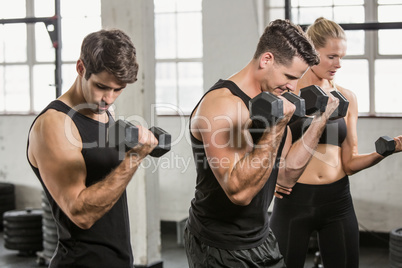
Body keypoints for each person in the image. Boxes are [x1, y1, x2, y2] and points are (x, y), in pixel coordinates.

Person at [184, 19, 340, 268]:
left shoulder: (275, 100)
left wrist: (321, 120)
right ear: (266, 60)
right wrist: (277, 127)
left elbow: (287, 177)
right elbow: (240, 192)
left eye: (297, 79)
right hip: (220, 243)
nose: (293, 87)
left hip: (260, 236)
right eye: (289, 76)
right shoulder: (224, 104)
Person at [270, 17, 402, 268]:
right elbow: (274, 156)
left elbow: (350, 163)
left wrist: (388, 151)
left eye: (341, 57)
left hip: (337, 202)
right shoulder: (286, 94)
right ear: (310, 51)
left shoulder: (347, 97)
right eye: (331, 56)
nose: (338, 64)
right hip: (293, 202)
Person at [27, 29, 158, 267]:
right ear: (81, 68)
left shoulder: (104, 113)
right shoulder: (55, 124)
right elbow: (80, 214)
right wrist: (134, 158)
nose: (108, 99)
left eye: (118, 89)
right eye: (101, 86)